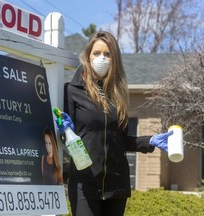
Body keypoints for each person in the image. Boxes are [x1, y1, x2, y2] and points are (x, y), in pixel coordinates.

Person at [55, 31, 173, 216]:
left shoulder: (117, 96)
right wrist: (63, 130)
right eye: (97, 53)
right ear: (88, 56)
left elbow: (121, 140)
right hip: (84, 184)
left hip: (116, 186)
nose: (101, 58)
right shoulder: (72, 90)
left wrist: (149, 141)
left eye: (107, 54)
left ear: (114, 59)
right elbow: (65, 137)